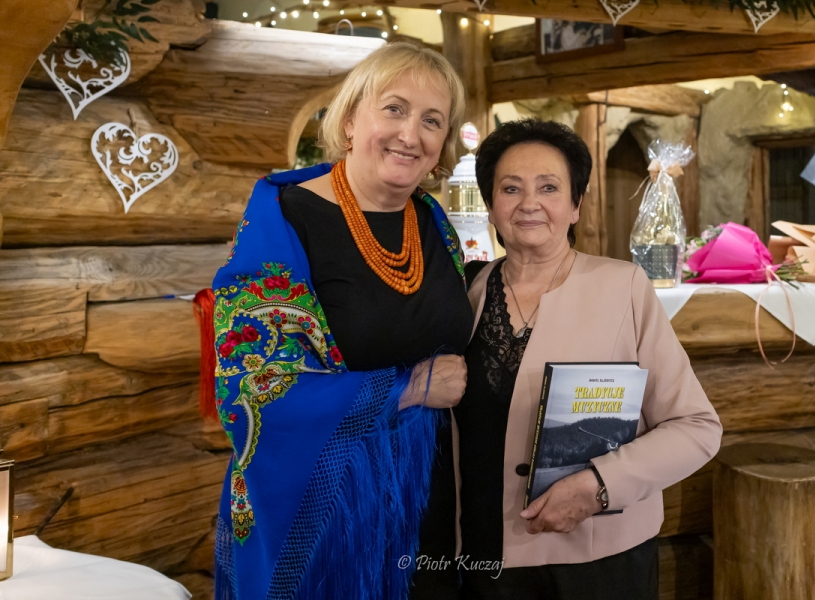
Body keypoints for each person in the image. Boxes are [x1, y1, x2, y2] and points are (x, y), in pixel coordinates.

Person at [202, 42, 470, 600]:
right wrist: (408, 388)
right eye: (394, 109)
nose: (410, 134)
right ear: (349, 120)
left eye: (432, 120)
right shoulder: (284, 218)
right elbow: (253, 388)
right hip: (324, 511)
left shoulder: (431, 219)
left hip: (429, 500)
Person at [453, 119, 722, 599]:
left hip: (597, 561)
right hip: (481, 555)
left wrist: (601, 484)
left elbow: (697, 427)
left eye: (549, 187)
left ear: (575, 205)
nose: (529, 203)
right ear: (491, 206)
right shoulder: (465, 295)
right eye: (511, 188)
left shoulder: (624, 288)